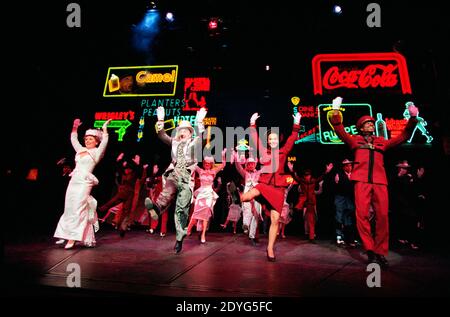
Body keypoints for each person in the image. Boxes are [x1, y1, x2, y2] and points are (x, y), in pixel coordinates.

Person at [330, 97, 418, 267]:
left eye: (371, 123)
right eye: (367, 123)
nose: (371, 125)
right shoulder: (355, 140)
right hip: (361, 181)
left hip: (379, 181)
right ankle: (370, 250)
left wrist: (413, 119)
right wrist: (335, 110)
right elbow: (339, 129)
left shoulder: (381, 143)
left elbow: (403, 136)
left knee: (383, 217)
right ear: (361, 128)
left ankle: (380, 251)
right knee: (362, 215)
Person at [235, 111, 301, 261]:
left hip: (278, 188)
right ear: (268, 140)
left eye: (275, 138)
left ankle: (270, 248)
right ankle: (241, 195)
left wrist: (296, 125)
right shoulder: (263, 151)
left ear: (279, 139)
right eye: (270, 138)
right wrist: (252, 124)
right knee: (245, 197)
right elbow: (255, 138)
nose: (272, 140)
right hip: (263, 185)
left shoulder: (283, 152)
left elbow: (292, 139)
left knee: (275, 220)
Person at [145, 106, 207, 253]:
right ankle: (156, 208)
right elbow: (161, 135)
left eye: (185, 130)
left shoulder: (195, 143)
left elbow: (203, 137)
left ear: (190, 133)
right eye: (180, 130)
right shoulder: (174, 142)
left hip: (187, 179)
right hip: (174, 174)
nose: (182, 132)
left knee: (181, 210)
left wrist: (199, 122)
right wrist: (160, 119)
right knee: (167, 191)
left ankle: (179, 239)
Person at [54, 118, 111, 249]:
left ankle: (73, 237)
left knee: (78, 208)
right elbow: (74, 140)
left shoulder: (97, 153)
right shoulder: (80, 150)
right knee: (69, 208)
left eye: (91, 139)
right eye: (86, 139)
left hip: (85, 182)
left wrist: (104, 129)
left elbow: (105, 142)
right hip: (74, 181)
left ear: (97, 141)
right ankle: (65, 233)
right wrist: (75, 127)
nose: (87, 140)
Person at [187, 149, 227, 243]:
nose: (207, 164)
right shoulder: (200, 171)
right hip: (201, 193)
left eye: (209, 163)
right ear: (204, 163)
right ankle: (188, 229)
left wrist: (223, 155)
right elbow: (192, 164)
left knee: (205, 215)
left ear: (211, 164)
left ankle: (203, 234)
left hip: (209, 193)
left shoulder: (214, 171)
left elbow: (223, 164)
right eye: (205, 163)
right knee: (196, 212)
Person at [233, 152, 262, 245]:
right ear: (246, 165)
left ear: (255, 165)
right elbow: (238, 167)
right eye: (249, 164)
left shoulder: (259, 173)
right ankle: (245, 225)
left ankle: (252, 236)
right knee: (247, 211)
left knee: (256, 215)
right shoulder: (245, 173)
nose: (251, 165)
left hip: (256, 193)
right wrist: (235, 156)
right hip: (247, 193)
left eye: (252, 164)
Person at [332, 159, 357, 247]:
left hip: (349, 199)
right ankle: (339, 237)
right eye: (347, 165)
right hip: (340, 198)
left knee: (349, 218)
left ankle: (350, 238)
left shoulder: (354, 174)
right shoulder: (339, 175)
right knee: (339, 217)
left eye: (350, 165)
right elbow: (336, 187)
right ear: (344, 167)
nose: (349, 167)